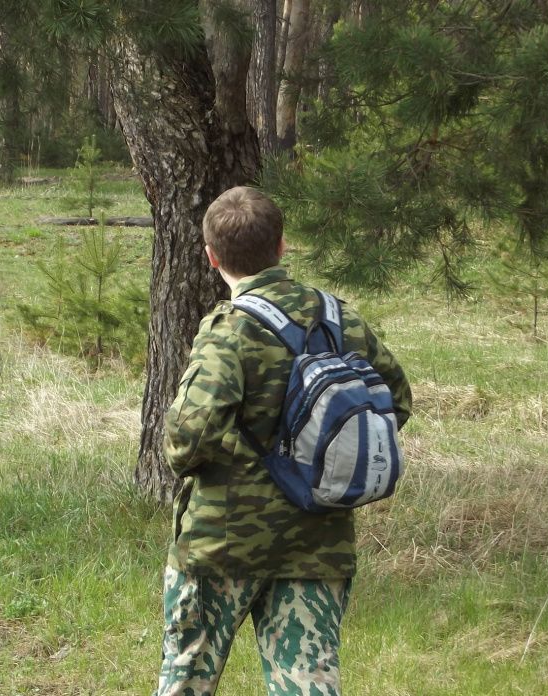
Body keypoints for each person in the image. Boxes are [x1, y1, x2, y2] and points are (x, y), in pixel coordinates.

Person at [156, 186, 412, 696]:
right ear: (281, 246)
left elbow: (188, 437)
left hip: (223, 541)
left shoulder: (229, 330)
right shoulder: (339, 319)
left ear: (211, 257)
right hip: (319, 540)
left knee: (186, 680)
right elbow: (396, 401)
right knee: (308, 685)